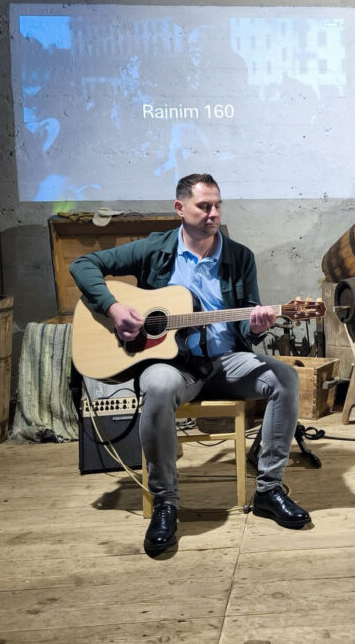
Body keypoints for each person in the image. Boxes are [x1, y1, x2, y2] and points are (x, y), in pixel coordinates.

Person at [70, 173, 311, 554]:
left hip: (226, 361)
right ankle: (165, 503)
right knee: (158, 385)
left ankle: (268, 490)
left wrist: (257, 325)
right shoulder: (155, 249)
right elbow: (84, 264)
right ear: (180, 208)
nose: (213, 213)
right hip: (175, 365)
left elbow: (248, 322)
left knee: (284, 377)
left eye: (218, 205)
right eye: (204, 206)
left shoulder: (239, 257)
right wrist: (114, 307)